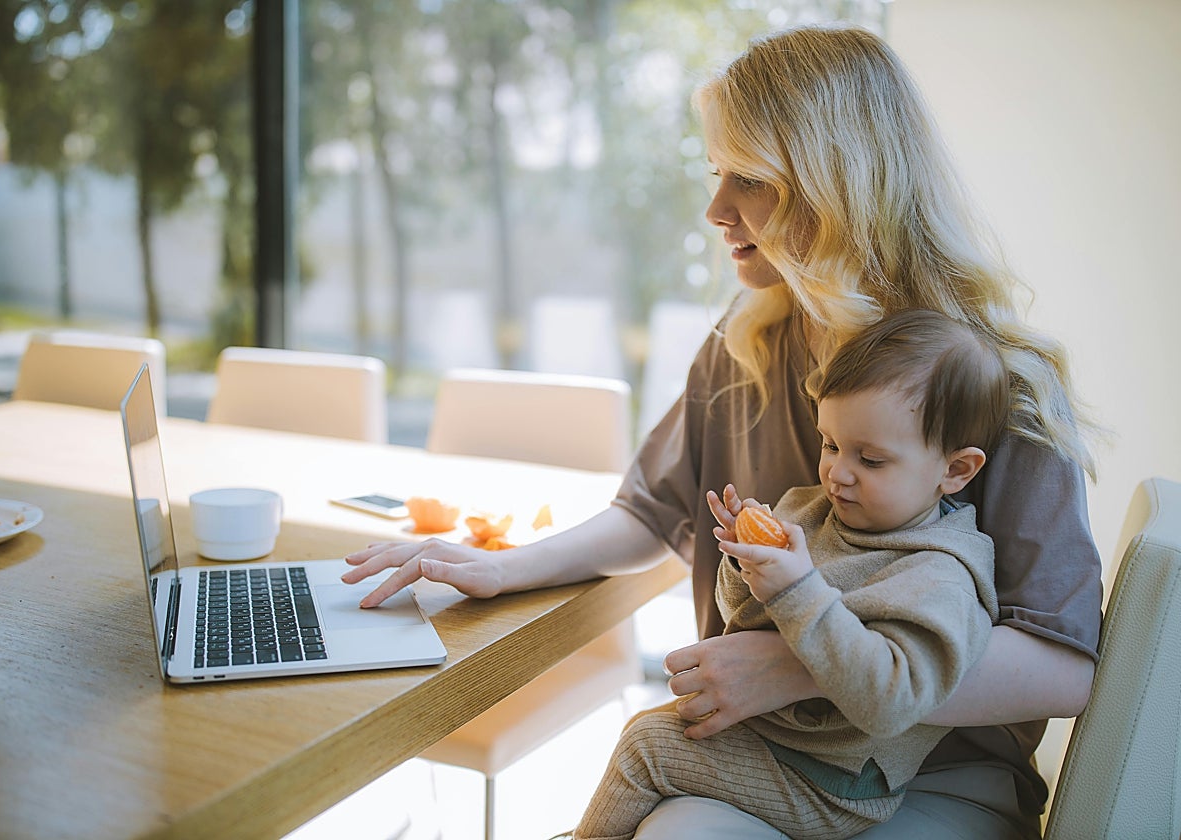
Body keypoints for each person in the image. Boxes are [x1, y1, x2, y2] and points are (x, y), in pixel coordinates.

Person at [342, 23, 1103, 839]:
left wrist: (802, 666)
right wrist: (504, 567)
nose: (715, 210)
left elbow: (1062, 669)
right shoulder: (748, 340)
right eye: (716, 174)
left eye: (751, 180)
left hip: (935, 778)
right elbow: (651, 511)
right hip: (769, 748)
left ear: (837, 186)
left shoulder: (996, 382)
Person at [572, 308, 1007, 840]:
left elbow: (892, 702)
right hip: (775, 739)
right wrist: (746, 562)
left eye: (871, 460)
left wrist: (798, 590)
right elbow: (743, 618)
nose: (837, 473)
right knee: (649, 729)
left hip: (833, 781)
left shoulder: (941, 574)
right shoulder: (812, 509)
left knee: (646, 749)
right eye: (831, 444)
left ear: (956, 470)